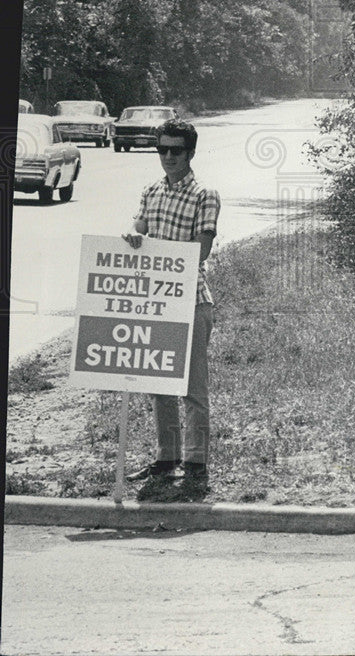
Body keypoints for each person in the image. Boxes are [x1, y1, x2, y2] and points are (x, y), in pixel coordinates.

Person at [123, 118, 221, 499]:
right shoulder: (151, 190)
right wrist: (134, 233)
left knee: (193, 387)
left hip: (192, 301)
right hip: (155, 301)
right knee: (157, 382)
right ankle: (167, 457)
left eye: (175, 150)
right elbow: (140, 224)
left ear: (190, 153)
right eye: (161, 149)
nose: (167, 156)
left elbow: (203, 248)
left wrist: (167, 260)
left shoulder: (204, 194)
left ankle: (196, 462)